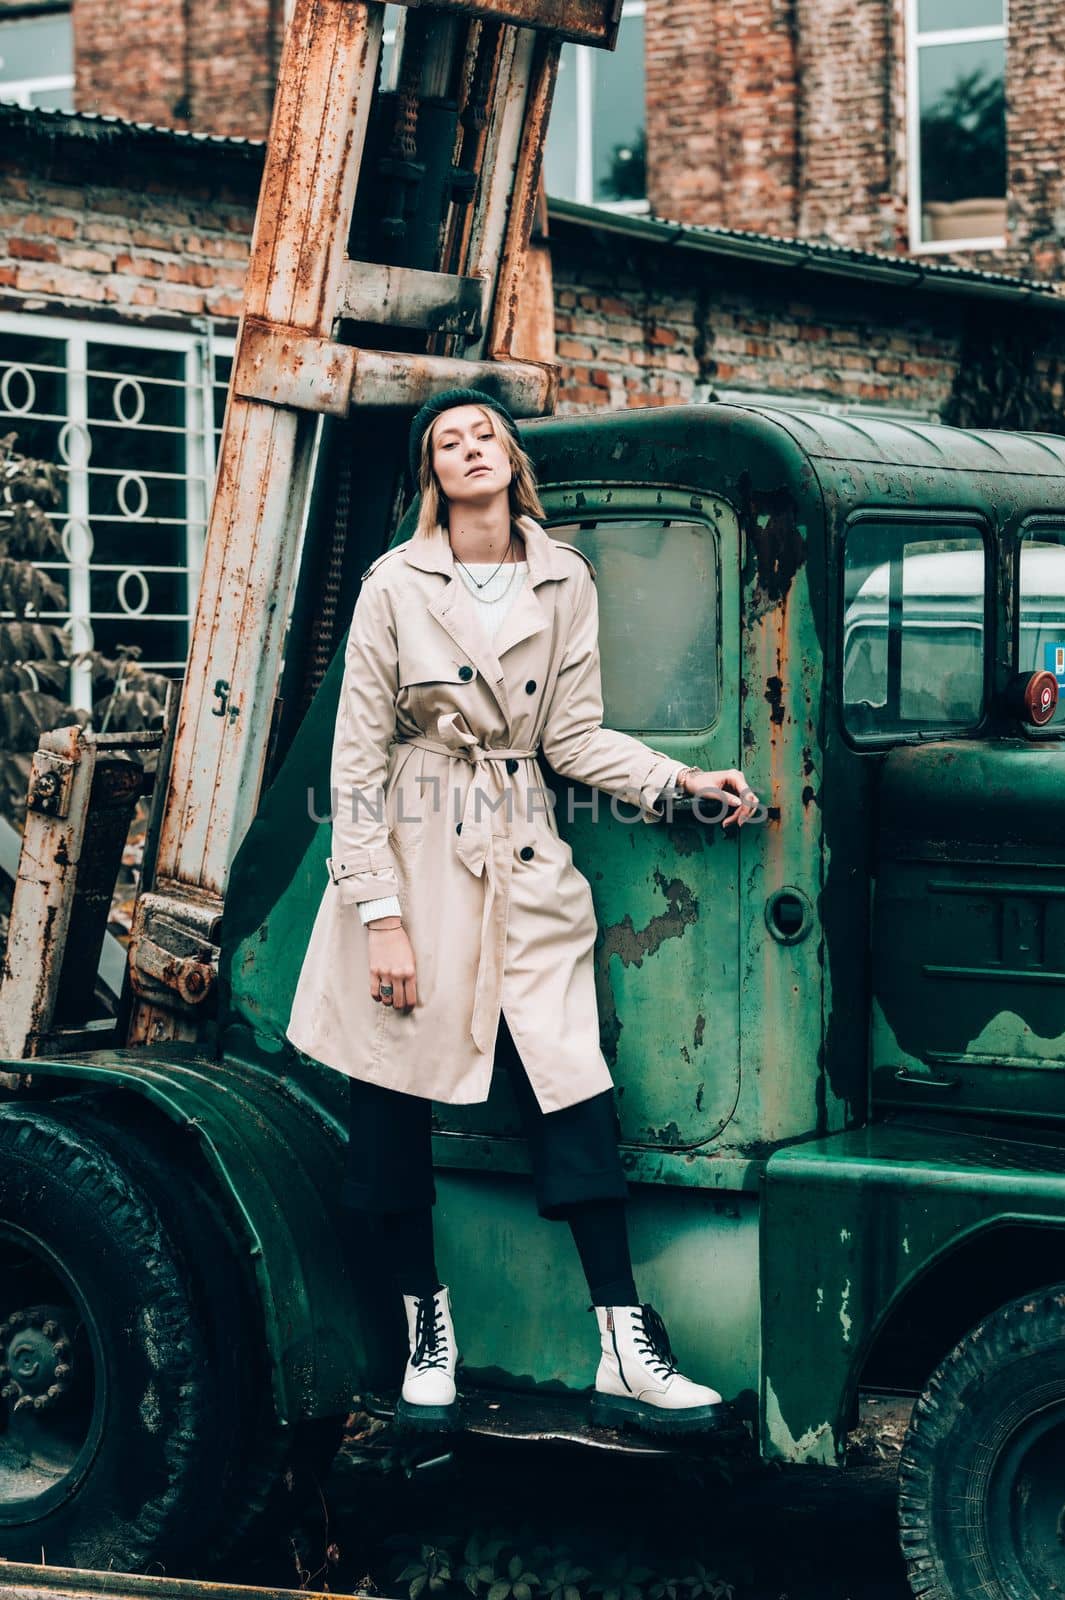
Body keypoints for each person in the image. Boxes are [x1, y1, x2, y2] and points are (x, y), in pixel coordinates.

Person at [286, 388, 761, 1437]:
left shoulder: (563, 577)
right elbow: (355, 766)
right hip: (412, 849)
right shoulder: (393, 584)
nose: (468, 448)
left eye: (482, 433)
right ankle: (428, 1336)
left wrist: (679, 784)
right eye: (446, 440)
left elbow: (576, 737)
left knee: (572, 1086)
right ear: (432, 474)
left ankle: (623, 1347)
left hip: (526, 850)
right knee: (393, 1109)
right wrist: (381, 915)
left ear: (510, 457)